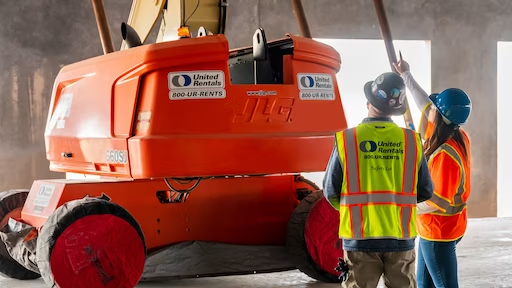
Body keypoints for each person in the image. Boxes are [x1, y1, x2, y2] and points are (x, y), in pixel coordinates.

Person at [323, 72, 434, 288]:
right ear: (395, 110)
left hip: (359, 238)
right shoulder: (411, 141)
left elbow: (330, 191)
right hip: (400, 237)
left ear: (368, 102)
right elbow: (426, 190)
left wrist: (354, 211)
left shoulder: (348, 139)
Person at [394, 55, 472, 288]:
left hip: (439, 231)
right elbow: (424, 103)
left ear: (441, 115)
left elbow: (437, 201)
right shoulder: (456, 133)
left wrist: (405, 205)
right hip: (438, 229)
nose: (431, 110)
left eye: (435, 109)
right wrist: (405, 74)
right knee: (424, 284)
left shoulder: (445, 155)